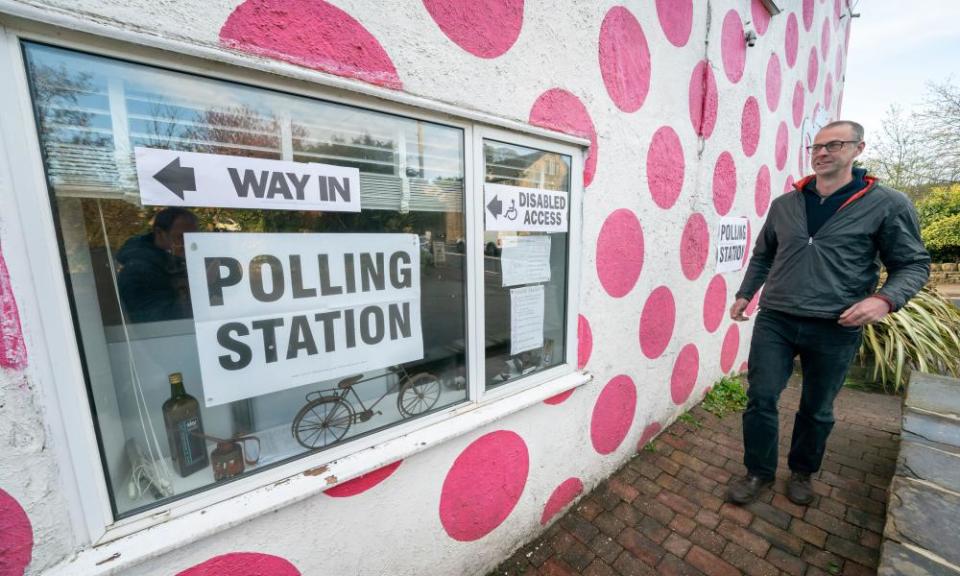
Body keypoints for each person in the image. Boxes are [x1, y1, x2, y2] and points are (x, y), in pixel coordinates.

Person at [726, 121, 929, 506]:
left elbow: (914, 264)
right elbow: (764, 253)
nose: (821, 153)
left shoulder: (888, 204)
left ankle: (802, 472)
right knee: (761, 397)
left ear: (857, 149)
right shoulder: (785, 205)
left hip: (837, 325)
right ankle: (758, 472)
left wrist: (884, 300)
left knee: (817, 409)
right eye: (816, 147)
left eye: (833, 145)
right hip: (777, 318)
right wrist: (745, 293)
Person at [117, 207, 198, 323]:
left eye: (194, 238)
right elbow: (157, 321)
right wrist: (200, 287)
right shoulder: (138, 270)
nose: (190, 244)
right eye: (181, 237)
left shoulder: (180, 262)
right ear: (159, 233)